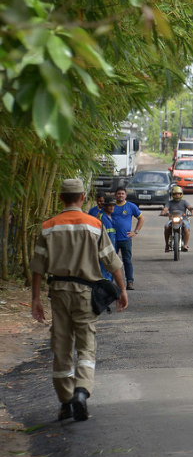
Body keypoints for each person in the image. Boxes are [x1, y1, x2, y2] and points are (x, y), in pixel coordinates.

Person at [29, 179, 128, 421]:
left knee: (61, 347)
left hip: (59, 294)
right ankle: (82, 392)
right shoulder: (95, 224)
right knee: (86, 345)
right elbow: (111, 261)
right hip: (86, 294)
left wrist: (35, 299)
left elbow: (38, 267)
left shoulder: (48, 226)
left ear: (61, 198)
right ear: (83, 197)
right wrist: (122, 289)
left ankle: (65, 401)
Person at [110, 186, 145, 290]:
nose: (120, 195)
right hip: (112, 239)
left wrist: (135, 232)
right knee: (111, 261)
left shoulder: (131, 206)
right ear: (115, 195)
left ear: (125, 195)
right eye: (118, 193)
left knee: (127, 261)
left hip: (126, 239)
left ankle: (129, 281)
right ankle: (110, 282)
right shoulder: (111, 206)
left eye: (122, 194)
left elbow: (141, 219)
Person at [162, 186, 193, 252]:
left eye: (178, 193)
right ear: (172, 194)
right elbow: (165, 209)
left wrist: (192, 212)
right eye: (175, 194)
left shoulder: (184, 202)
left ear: (181, 194)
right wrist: (163, 212)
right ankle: (167, 245)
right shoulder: (170, 202)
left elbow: (190, 207)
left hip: (183, 220)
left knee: (186, 228)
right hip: (172, 219)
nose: (177, 195)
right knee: (166, 227)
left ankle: (185, 245)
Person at [97, 198, 117, 281]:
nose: (112, 207)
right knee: (104, 270)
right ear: (105, 206)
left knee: (110, 269)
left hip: (111, 247)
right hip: (104, 248)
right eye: (110, 206)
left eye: (113, 206)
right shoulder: (101, 216)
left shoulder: (111, 217)